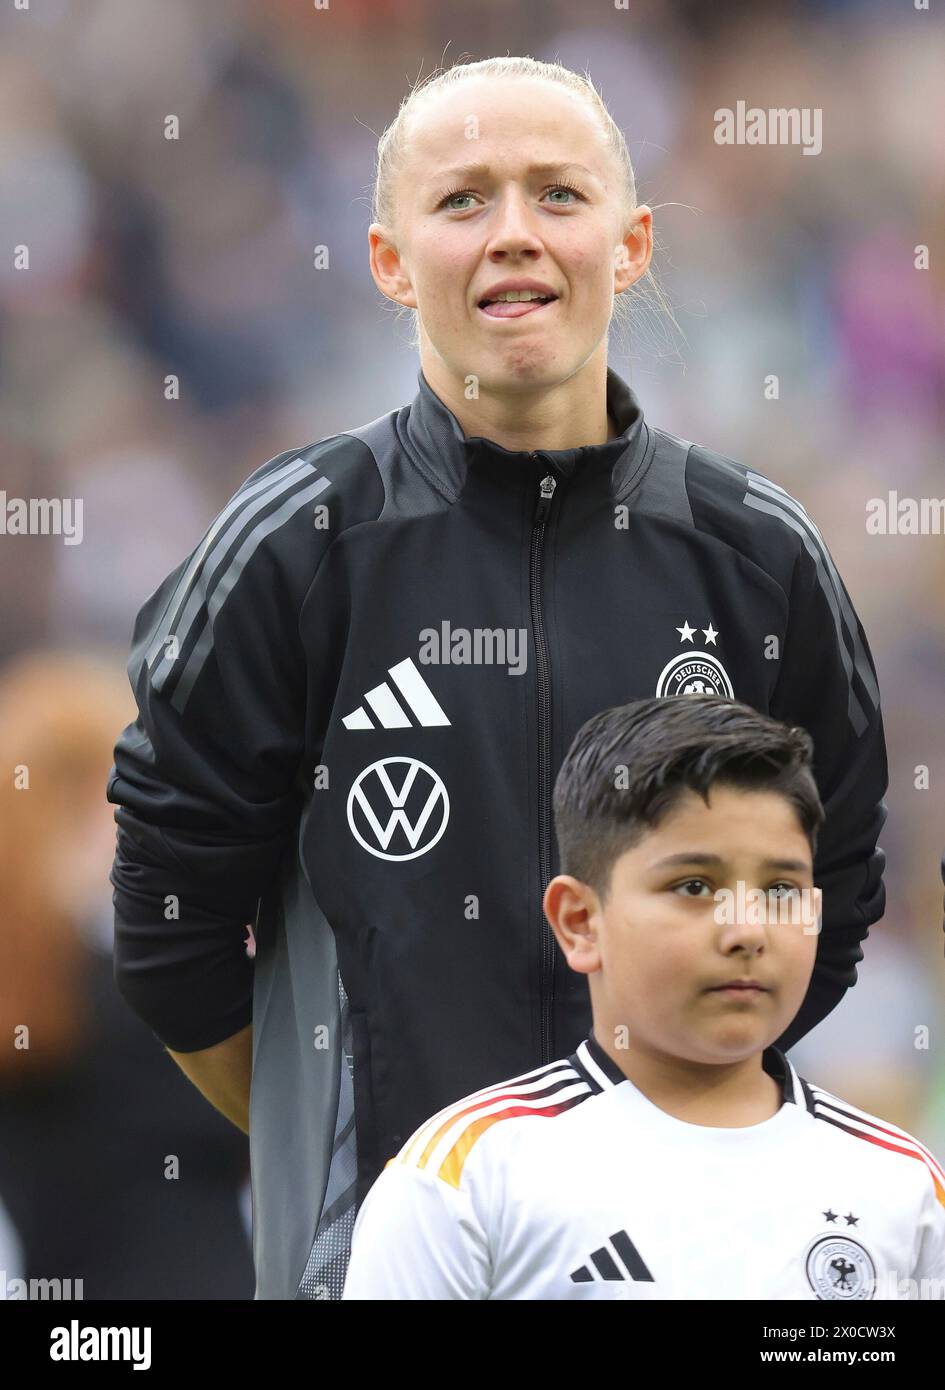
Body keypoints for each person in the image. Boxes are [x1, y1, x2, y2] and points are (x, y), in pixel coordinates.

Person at [106, 56, 888, 1301]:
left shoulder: (760, 558)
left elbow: (832, 901)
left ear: (630, 246)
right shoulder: (294, 546)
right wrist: (372, 1173)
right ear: (388, 259)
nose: (513, 234)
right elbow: (164, 929)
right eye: (463, 199)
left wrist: (646, 1150)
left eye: (558, 195)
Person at [341, 697, 942, 1301]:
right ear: (580, 922)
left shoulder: (904, 1187)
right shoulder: (467, 1178)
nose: (746, 930)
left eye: (781, 889)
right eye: (693, 886)